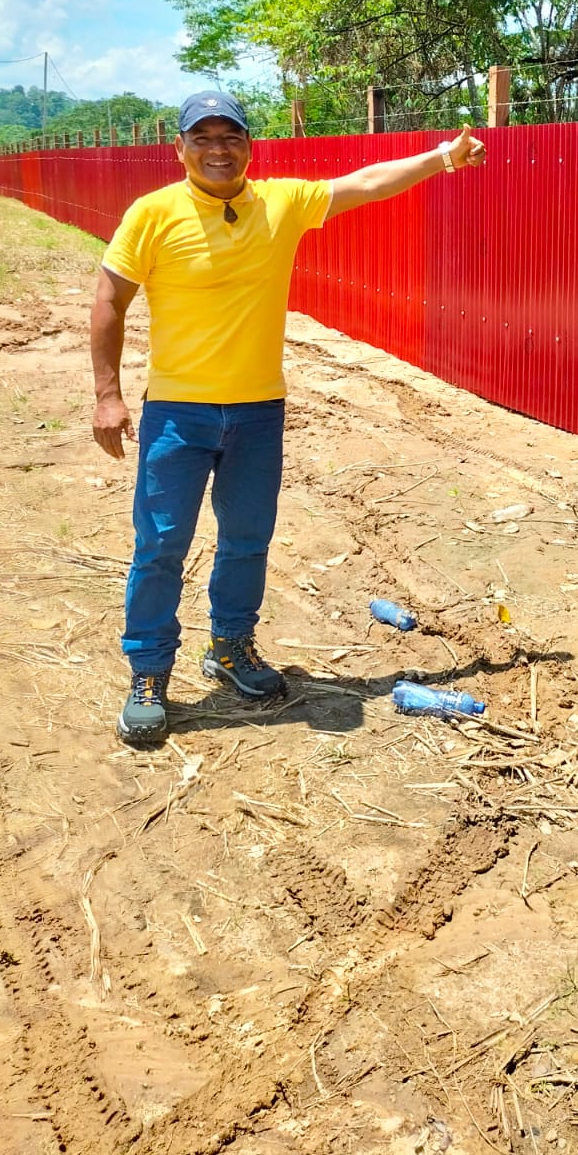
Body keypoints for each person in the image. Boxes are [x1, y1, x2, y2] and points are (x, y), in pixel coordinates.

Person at [91, 89, 486, 749]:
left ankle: (230, 646)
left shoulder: (281, 203)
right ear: (179, 148)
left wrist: (443, 157)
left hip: (257, 413)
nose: (218, 149)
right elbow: (110, 299)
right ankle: (149, 673)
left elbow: (366, 183)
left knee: (247, 539)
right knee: (160, 545)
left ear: (250, 145)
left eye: (230, 137)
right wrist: (108, 394)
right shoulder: (152, 214)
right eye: (202, 138)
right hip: (177, 416)